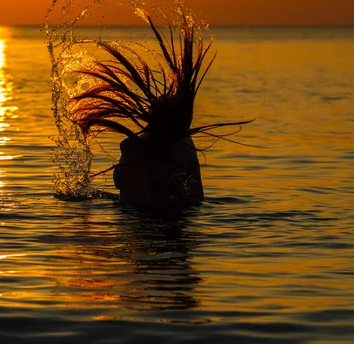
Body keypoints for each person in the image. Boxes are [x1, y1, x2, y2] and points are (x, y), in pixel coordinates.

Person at [68, 11, 245, 209]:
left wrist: (174, 193)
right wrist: (174, 193)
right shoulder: (153, 147)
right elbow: (183, 202)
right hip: (161, 224)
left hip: (153, 225)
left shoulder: (172, 146)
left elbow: (181, 201)